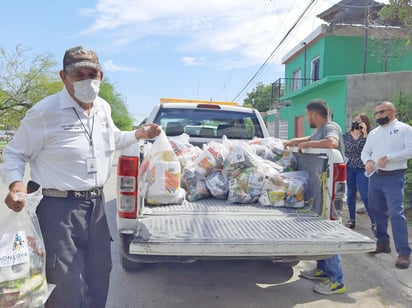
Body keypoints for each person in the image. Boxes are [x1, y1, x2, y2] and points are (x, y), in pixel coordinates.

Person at [0, 46, 161, 307]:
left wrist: (139, 134)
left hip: (95, 207)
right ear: (64, 77)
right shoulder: (44, 112)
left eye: (92, 74)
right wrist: (15, 184)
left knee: (100, 274)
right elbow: (15, 153)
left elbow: (113, 139)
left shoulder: (103, 108)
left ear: (101, 76)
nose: (87, 80)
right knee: (64, 283)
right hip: (59, 210)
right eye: (79, 74)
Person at [284, 99, 346, 295]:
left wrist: (308, 143)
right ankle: (322, 269)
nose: (307, 118)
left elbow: (331, 143)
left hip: (328, 189)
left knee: (328, 229)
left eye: (307, 115)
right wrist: (297, 141)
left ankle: (337, 281)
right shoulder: (321, 129)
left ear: (314, 115)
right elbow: (313, 137)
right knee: (321, 227)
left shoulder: (331, 127)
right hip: (321, 190)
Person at [361, 101, 412, 269]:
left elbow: (410, 150)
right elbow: (365, 151)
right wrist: (367, 160)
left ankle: (404, 253)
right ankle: (382, 243)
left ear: (392, 111)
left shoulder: (405, 129)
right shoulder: (374, 133)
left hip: (394, 177)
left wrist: (389, 157)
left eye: (382, 112)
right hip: (375, 176)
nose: (378, 116)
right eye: (376, 113)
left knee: (396, 214)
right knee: (377, 211)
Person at [343, 113, 375, 231]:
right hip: (349, 167)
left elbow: (370, 149)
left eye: (359, 121)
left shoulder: (368, 136)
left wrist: (365, 133)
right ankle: (351, 220)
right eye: (355, 120)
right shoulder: (345, 136)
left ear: (364, 123)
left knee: (365, 195)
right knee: (350, 194)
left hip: (362, 168)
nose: (356, 122)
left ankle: (374, 221)